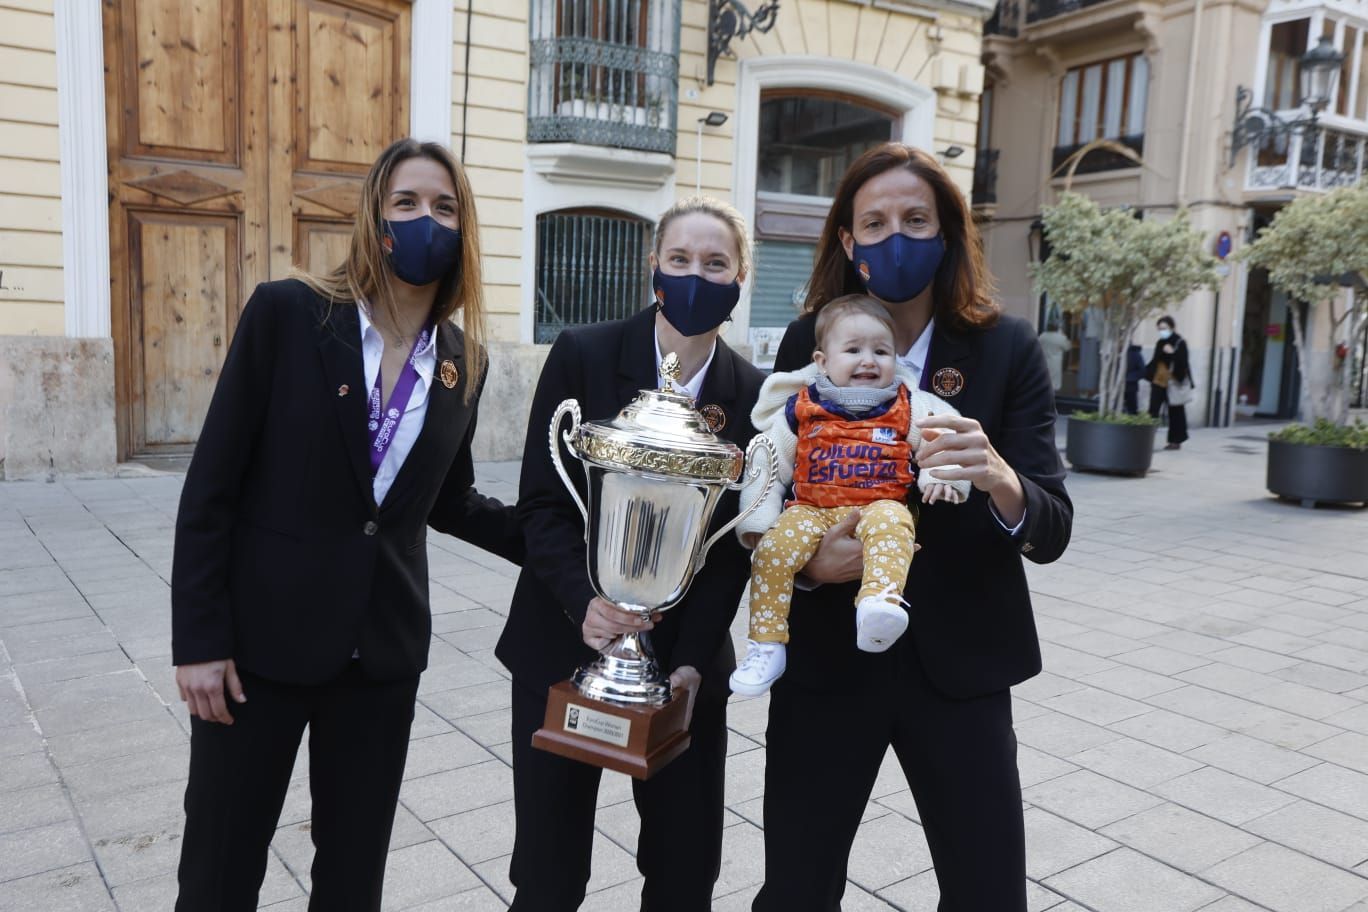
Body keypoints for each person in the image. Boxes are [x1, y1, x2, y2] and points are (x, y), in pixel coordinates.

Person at [171, 138, 522, 911]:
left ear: (464, 230)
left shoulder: (465, 361)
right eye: (406, 202)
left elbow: (450, 500)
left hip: (380, 657)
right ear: (374, 216)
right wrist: (200, 642)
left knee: (353, 877)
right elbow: (211, 491)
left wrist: (570, 544)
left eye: (444, 206)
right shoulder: (290, 314)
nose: (425, 218)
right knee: (220, 870)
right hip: (257, 653)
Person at [749, 143, 1073, 912]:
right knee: (796, 888)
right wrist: (804, 564)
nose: (897, 236)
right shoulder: (808, 344)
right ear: (850, 245)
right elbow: (769, 479)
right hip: (830, 662)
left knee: (987, 891)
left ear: (948, 234)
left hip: (961, 668)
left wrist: (997, 474)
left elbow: (1051, 528)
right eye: (876, 222)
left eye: (916, 219)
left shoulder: (1006, 348)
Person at [498, 197, 765, 911]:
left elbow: (736, 548)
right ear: (654, 268)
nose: (696, 276)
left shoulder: (754, 395)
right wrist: (582, 603)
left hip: (685, 667)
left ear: (740, 277)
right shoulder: (584, 353)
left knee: (684, 871)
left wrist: (689, 661)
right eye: (680, 260)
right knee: (549, 873)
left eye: (715, 264)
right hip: (563, 643)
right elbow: (543, 505)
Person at [729, 295, 970, 696]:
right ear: (822, 362)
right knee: (772, 550)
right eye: (854, 350)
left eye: (881, 351)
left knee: (897, 525)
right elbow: (768, 464)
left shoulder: (907, 405)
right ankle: (766, 644)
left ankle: (879, 605)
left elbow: (945, 433)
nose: (868, 361)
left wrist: (940, 475)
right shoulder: (801, 408)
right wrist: (757, 522)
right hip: (811, 509)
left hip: (880, 504)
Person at [1146, 315, 1191, 449]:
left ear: (1172, 328)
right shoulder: (1160, 342)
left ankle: (1175, 441)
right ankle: (1147, 438)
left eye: (1164, 328)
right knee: (1153, 409)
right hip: (1159, 380)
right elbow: (1155, 360)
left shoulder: (1180, 342)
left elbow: (1183, 363)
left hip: (1174, 382)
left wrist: (1172, 353)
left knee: (1176, 411)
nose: (1162, 331)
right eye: (1159, 329)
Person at [1124, 342, 1146, 415]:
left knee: (1132, 406)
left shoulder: (1135, 354)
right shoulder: (1135, 354)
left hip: (1130, 384)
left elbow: (1142, 371)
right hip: (1127, 383)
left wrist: (1130, 377)